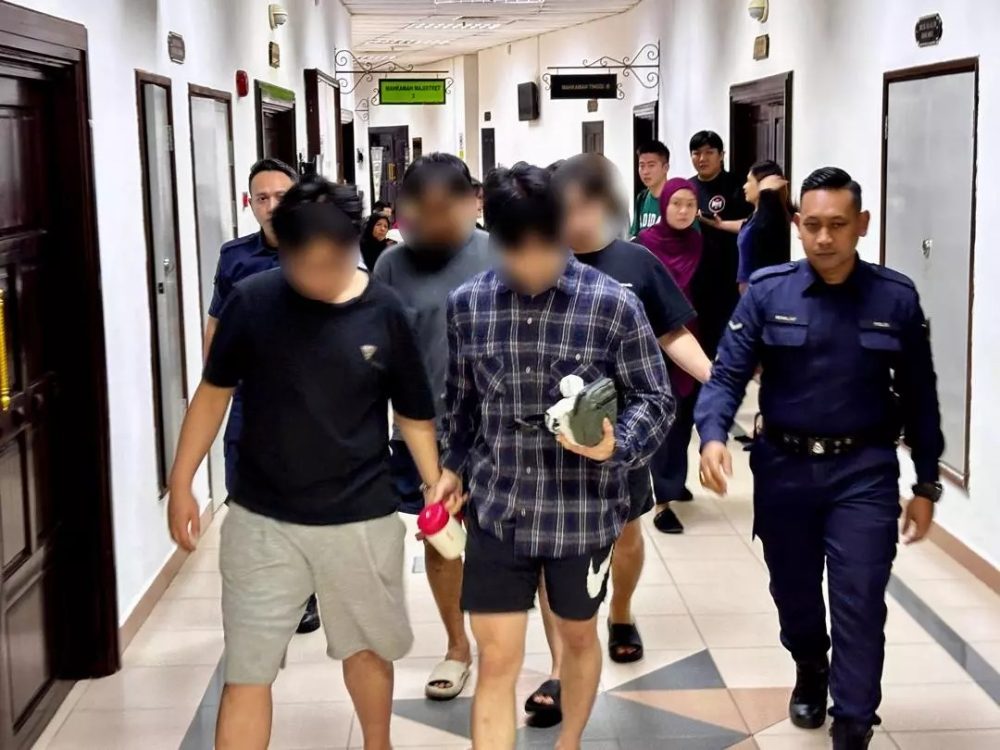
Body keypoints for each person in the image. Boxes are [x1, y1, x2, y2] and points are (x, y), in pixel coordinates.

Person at [168, 176, 449, 750]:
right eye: (304, 265)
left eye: (332, 263)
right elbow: (213, 394)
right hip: (262, 519)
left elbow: (413, 413)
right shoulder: (253, 302)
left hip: (361, 517)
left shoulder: (385, 311)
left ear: (352, 248)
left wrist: (432, 483)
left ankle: (377, 744)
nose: (319, 277)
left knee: (366, 652)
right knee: (247, 669)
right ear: (283, 251)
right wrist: (181, 481)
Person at [696, 167, 944, 750]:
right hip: (784, 469)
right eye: (812, 225)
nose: (825, 238)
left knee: (860, 598)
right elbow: (728, 372)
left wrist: (926, 483)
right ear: (797, 224)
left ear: (862, 224)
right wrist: (711, 434)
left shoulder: (895, 297)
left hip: (864, 472)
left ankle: (854, 723)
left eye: (838, 224)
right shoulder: (769, 291)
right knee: (795, 592)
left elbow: (921, 395)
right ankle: (810, 662)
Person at [434, 162, 674, 750]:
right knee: (497, 657)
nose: (532, 264)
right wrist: (450, 468)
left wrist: (618, 443)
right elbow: (460, 406)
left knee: (577, 637)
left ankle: (570, 742)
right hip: (498, 507)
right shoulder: (468, 305)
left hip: (582, 509)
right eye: (516, 250)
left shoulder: (611, 304)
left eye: (545, 247)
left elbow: (655, 398)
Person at [518, 155, 710, 725]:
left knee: (625, 533)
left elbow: (672, 333)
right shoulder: (533, 260)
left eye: (585, 204)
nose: (575, 216)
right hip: (550, 438)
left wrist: (719, 382)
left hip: (620, 432)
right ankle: (560, 667)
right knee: (554, 552)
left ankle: (621, 611)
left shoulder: (635, 262)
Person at [373, 153, 491, 701]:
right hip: (424, 436)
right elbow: (382, 358)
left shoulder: (500, 253)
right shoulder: (391, 267)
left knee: (519, 543)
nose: (430, 222)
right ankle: (457, 645)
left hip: (498, 433)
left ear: (471, 203)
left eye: (444, 209)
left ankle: (541, 655)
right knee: (443, 540)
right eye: (419, 210)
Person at [204, 158, 321, 635]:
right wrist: (217, 383)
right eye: (262, 198)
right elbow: (217, 324)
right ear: (249, 203)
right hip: (250, 399)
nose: (271, 206)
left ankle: (305, 594)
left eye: (281, 197)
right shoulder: (235, 257)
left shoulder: (321, 249)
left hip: (308, 401)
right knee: (247, 497)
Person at [637, 178, 711, 534]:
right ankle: (661, 502)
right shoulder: (644, 246)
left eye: (689, 204)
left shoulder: (700, 244)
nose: (683, 211)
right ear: (663, 206)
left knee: (684, 418)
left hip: (692, 342)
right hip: (654, 342)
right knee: (663, 419)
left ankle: (673, 481)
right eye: (676, 204)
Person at [688, 131, 753, 358]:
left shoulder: (737, 186)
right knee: (700, 338)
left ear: (721, 155)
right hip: (696, 278)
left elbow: (751, 224)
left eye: (709, 152)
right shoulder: (687, 188)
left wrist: (721, 224)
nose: (702, 158)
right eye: (697, 153)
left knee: (728, 339)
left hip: (729, 276)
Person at [738, 160, 793, 293]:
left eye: (749, 181)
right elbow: (744, 227)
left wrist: (767, 192)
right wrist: (719, 224)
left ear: (762, 184)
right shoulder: (754, 217)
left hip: (761, 293)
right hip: (748, 292)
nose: (744, 186)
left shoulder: (770, 222)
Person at [630, 140, 671, 237]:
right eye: (642, 166)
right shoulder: (642, 198)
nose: (645, 172)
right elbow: (635, 234)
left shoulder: (677, 198)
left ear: (665, 168)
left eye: (651, 165)